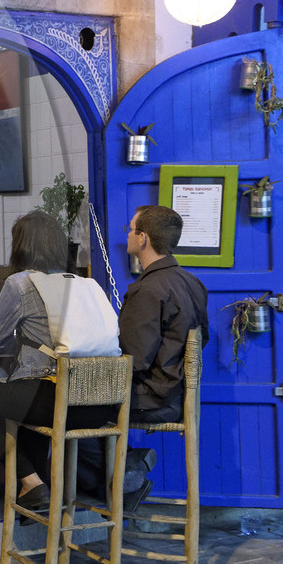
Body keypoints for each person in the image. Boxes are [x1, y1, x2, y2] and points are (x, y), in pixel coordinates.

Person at [0, 210, 125, 510]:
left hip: (53, 400)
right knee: (21, 401)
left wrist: (25, 344)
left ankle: (31, 482)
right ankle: (37, 496)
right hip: (101, 407)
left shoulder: (20, 283)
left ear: (21, 245)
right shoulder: (87, 283)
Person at [116, 204, 210, 504]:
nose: (128, 234)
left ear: (143, 238)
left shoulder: (148, 290)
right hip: (177, 395)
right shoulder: (192, 282)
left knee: (73, 408)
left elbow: (134, 359)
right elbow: (202, 339)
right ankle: (126, 478)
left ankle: (126, 478)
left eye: (130, 229)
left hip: (153, 399)